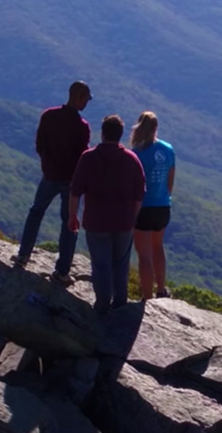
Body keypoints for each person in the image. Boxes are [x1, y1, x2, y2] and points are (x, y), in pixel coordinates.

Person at [66, 114, 145, 314]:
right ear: (120, 135)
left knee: (101, 266)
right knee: (121, 265)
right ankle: (120, 304)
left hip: (96, 222)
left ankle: (102, 305)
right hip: (124, 222)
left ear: (102, 134)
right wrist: (132, 219)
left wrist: (72, 216)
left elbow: (75, 191)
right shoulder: (131, 159)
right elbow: (139, 195)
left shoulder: (88, 157)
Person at [15, 80, 92, 281]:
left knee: (36, 212)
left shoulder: (49, 116)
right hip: (70, 180)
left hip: (49, 176)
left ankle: (23, 255)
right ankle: (63, 271)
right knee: (69, 221)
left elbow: (40, 144)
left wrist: (47, 165)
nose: (86, 103)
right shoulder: (81, 126)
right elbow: (82, 156)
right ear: (78, 97)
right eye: (85, 99)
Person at [128, 111, 175, 300]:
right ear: (156, 128)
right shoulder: (167, 149)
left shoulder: (135, 153)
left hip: (143, 208)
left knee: (144, 255)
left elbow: (132, 185)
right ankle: (161, 289)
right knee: (158, 247)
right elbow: (170, 181)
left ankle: (147, 298)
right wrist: (164, 197)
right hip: (163, 206)